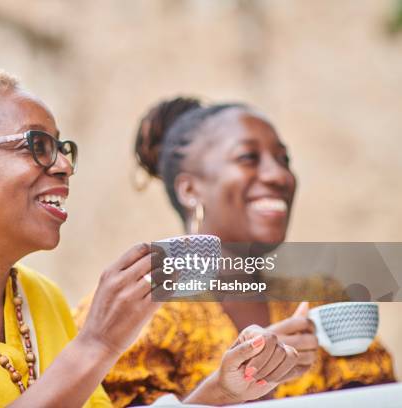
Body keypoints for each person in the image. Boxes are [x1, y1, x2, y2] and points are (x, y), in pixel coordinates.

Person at [0, 68, 302, 407]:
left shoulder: (37, 300)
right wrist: (98, 343)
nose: (63, 165)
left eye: (63, 148)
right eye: (37, 146)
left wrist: (219, 392)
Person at [75, 96, 396, 407]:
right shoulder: (129, 311)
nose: (279, 175)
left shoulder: (321, 298)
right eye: (248, 158)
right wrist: (237, 388)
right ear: (189, 190)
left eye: (284, 160)